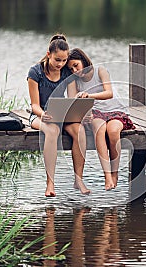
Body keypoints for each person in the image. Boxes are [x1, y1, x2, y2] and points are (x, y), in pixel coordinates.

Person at [27, 34, 91, 197]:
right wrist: (44, 114)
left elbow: (71, 98)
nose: (61, 64)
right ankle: (50, 183)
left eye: (64, 61)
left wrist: (80, 113)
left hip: (62, 114)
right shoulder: (35, 72)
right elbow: (34, 105)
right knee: (52, 131)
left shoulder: (66, 73)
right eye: (57, 60)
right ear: (49, 55)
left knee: (80, 131)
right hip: (40, 116)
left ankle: (78, 179)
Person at [67, 48, 135, 190]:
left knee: (113, 131)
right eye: (71, 68)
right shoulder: (73, 80)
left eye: (76, 65)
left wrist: (89, 95)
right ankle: (107, 176)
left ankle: (115, 172)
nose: (74, 70)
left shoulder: (100, 71)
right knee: (99, 129)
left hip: (114, 109)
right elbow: (72, 100)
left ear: (83, 60)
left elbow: (108, 93)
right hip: (95, 112)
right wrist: (83, 111)